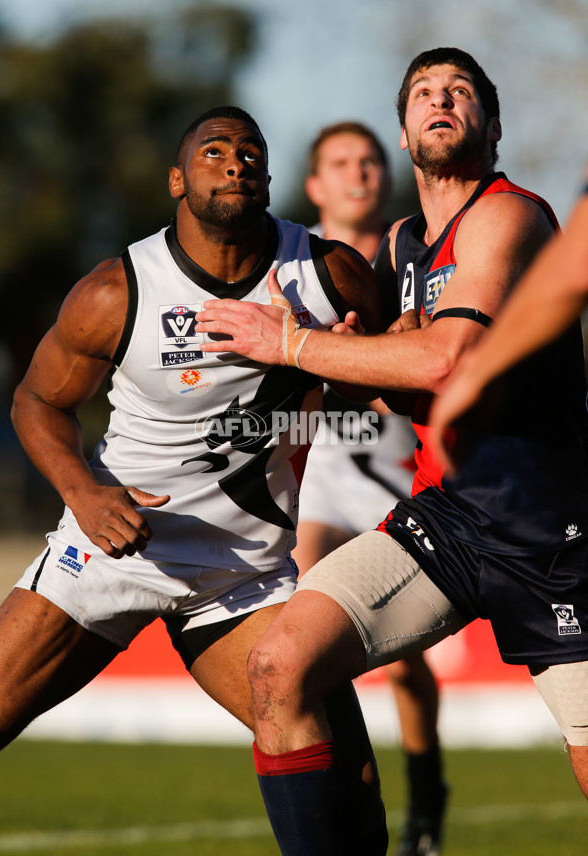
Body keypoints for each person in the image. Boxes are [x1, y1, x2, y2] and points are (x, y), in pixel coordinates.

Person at [195, 48, 588, 848]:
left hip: (558, 541)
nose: (441, 100)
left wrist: (298, 346)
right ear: (406, 133)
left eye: (461, 92)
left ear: (494, 126)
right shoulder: (401, 243)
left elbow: (448, 360)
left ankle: (427, 795)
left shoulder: (510, 215)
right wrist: (344, 361)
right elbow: (399, 383)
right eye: (422, 94)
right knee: (280, 666)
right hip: (449, 523)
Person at [0, 105, 390, 854]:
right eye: (213, 151)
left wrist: (361, 363)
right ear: (178, 178)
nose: (234, 161)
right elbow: (37, 400)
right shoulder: (117, 291)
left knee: (351, 792)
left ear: (268, 178)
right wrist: (82, 490)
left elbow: (397, 383)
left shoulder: (330, 275)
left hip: (245, 576)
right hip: (115, 551)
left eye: (250, 152)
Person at [295, 120, 448, 856]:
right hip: (318, 477)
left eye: (370, 162)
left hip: (393, 470)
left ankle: (426, 792)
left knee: (405, 662)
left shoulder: (403, 256)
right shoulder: (291, 259)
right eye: (341, 164)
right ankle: (342, 793)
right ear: (316, 186)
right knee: (306, 614)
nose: (359, 174)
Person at [428, 166, 588, 470]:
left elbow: (576, 268)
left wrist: (474, 372)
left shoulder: (508, 210)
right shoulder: (400, 241)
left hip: (540, 481)